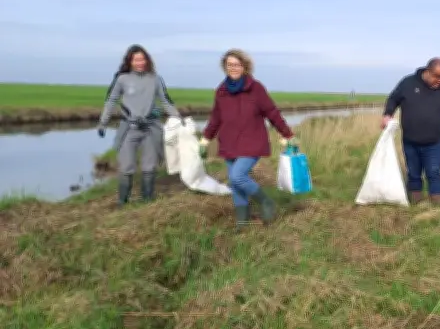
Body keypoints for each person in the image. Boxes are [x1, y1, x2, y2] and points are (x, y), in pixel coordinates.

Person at [199, 49, 296, 228]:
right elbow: (216, 118)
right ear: (224, 67)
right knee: (235, 184)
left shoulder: (256, 88)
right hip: (229, 143)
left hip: (252, 142)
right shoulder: (221, 91)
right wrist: (205, 139)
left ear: (244, 67)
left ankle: (266, 202)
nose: (233, 68)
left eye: (237, 64)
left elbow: (271, 112)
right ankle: (242, 222)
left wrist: (286, 133)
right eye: (229, 65)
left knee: (237, 176)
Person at [381, 57, 440, 205]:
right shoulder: (408, 83)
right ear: (427, 72)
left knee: (434, 173)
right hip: (410, 141)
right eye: (437, 76)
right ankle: (415, 204)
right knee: (413, 173)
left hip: (434, 143)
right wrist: (387, 114)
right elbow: (393, 99)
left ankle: (436, 206)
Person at [98, 44, 181, 205]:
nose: (140, 62)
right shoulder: (122, 79)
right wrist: (103, 123)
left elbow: (165, 101)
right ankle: (123, 202)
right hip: (129, 128)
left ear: (147, 60)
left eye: (142, 59)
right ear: (130, 61)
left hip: (151, 128)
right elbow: (111, 101)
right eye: (136, 60)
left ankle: (147, 201)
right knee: (126, 165)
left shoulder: (156, 79)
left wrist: (179, 119)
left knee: (149, 166)